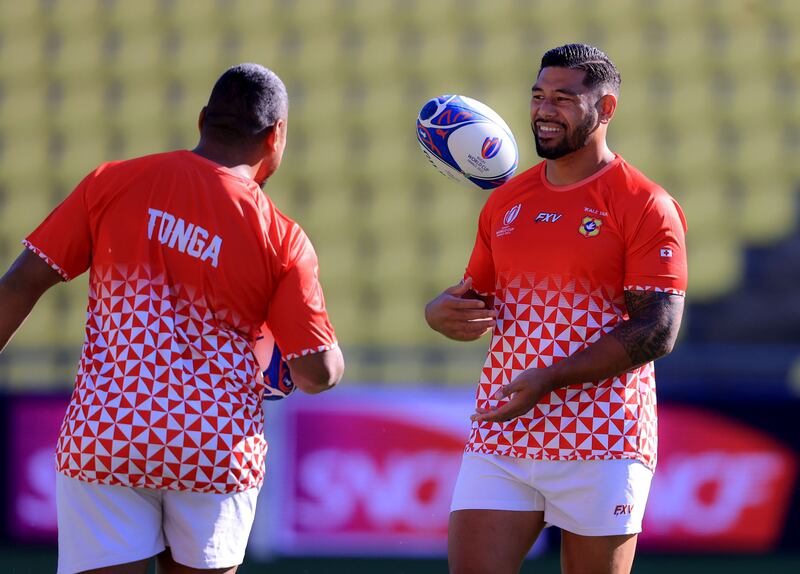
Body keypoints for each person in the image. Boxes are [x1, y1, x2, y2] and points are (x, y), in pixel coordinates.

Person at [0, 64, 344, 574]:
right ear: (277, 135)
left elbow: (21, 283)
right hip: (214, 446)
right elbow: (316, 373)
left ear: (203, 118)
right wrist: (326, 361)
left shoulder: (112, 182)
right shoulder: (282, 239)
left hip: (109, 433)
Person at [425, 44, 687, 574]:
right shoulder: (505, 201)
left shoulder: (643, 203)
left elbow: (657, 330)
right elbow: (476, 301)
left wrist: (550, 377)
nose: (544, 110)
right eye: (538, 96)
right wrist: (439, 314)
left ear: (606, 108)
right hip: (503, 429)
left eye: (563, 99)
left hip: (602, 438)